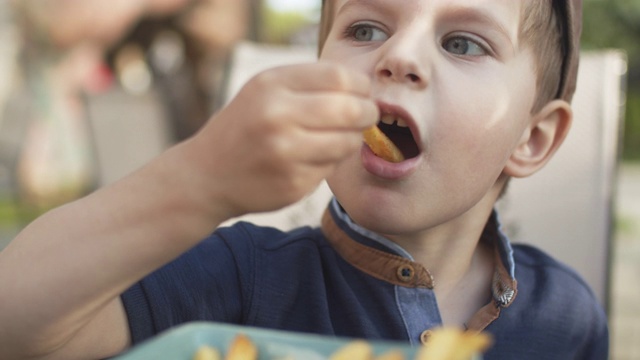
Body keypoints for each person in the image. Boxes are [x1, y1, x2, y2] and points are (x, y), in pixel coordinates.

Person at [0, 0, 608, 359]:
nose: (397, 57)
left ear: (531, 139)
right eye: (366, 29)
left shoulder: (567, 317)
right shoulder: (240, 279)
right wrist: (200, 178)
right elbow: (17, 324)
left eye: (463, 43)